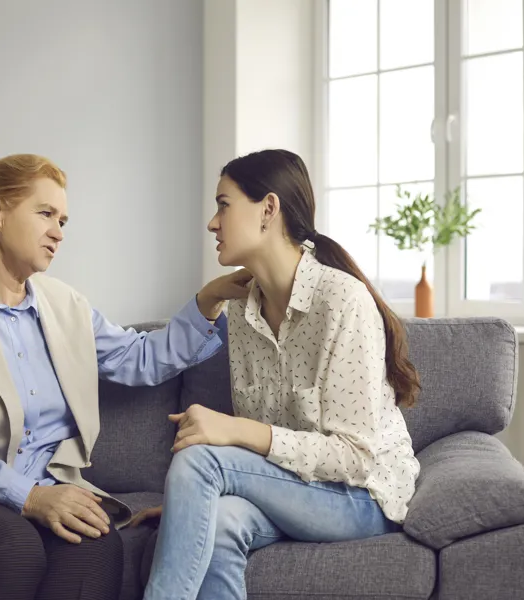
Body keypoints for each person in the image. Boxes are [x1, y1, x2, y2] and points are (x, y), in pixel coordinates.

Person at [0, 153, 251, 600]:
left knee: (98, 545)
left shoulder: (65, 305)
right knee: (12, 548)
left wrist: (209, 299)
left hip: (43, 486)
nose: (58, 232)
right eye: (45, 214)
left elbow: (139, 357)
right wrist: (30, 497)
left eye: (62, 219)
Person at [132, 149, 422, 600]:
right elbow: (265, 461)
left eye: (223, 205)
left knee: (201, 455)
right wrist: (190, 504)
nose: (212, 222)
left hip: (362, 497)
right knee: (221, 522)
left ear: (268, 209)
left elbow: (354, 458)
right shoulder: (240, 313)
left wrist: (234, 431)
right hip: (297, 491)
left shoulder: (342, 301)